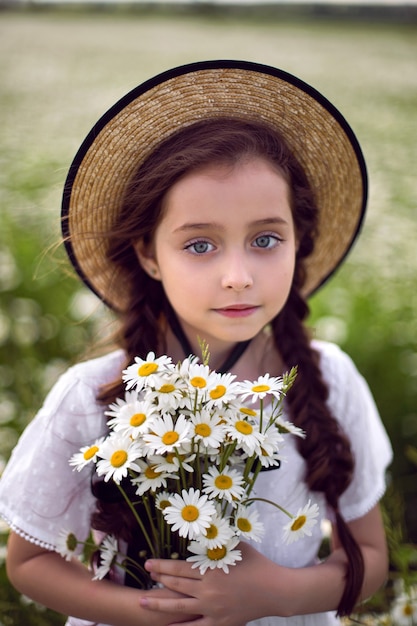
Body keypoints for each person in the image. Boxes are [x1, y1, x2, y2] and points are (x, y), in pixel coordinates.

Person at [0, 60, 392, 626]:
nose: (238, 275)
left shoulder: (330, 379)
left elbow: (371, 557)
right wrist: (150, 610)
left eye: (264, 239)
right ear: (148, 253)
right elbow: (29, 561)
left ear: (299, 240)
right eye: (200, 245)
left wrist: (276, 594)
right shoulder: (93, 394)